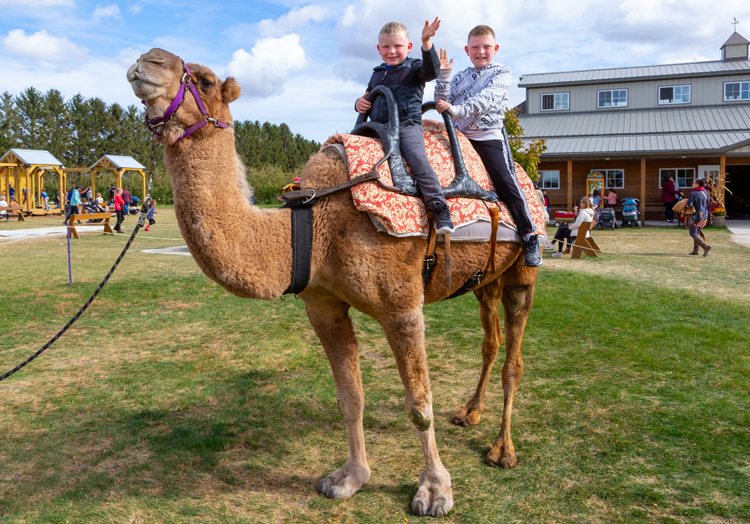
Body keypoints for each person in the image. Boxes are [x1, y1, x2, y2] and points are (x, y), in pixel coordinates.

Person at [435, 24, 541, 266]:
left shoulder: (501, 73)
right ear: (467, 49)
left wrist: (456, 110)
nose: (480, 51)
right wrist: (443, 76)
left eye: (486, 47)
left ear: (496, 48)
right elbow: (440, 101)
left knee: (505, 181)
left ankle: (528, 234)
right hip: (459, 137)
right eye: (475, 47)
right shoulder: (460, 76)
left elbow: (486, 99)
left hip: (487, 137)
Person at [356, 19, 455, 234]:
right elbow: (367, 98)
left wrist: (426, 41)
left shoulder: (415, 68)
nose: (392, 51)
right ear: (378, 49)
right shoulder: (377, 73)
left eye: (398, 46)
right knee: (352, 153)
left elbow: (432, 72)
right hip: (377, 128)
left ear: (408, 47)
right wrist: (358, 104)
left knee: (417, 159)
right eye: (386, 47)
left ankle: (440, 208)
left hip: (406, 126)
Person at [687, 178, 711, 256]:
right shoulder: (706, 192)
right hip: (704, 215)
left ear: (697, 184)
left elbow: (690, 205)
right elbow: (708, 202)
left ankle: (705, 246)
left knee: (693, 233)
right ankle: (695, 250)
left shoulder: (693, 194)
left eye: (693, 183)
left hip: (695, 215)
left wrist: (686, 203)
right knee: (697, 233)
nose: (692, 184)